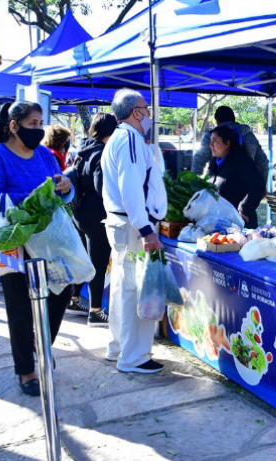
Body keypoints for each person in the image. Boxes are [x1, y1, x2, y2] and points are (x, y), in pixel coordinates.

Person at [0, 101, 74, 396]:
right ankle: (26, 370)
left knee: (62, 292)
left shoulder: (46, 154)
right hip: (15, 241)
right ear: (14, 125)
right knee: (19, 308)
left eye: (41, 122)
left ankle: (40, 345)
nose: (39, 129)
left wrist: (65, 187)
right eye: (33, 123)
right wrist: (33, 196)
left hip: (49, 240)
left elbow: (59, 190)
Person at [102, 89, 166, 374]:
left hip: (124, 222)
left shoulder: (123, 138)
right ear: (135, 112)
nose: (149, 113)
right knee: (135, 290)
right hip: (131, 224)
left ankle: (119, 347)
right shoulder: (129, 139)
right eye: (146, 108)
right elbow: (131, 188)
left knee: (121, 287)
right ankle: (133, 356)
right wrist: (146, 230)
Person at [67, 112, 116, 327]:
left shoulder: (83, 149)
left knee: (83, 259)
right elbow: (101, 187)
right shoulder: (102, 153)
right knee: (97, 262)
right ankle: (95, 311)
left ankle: (74, 298)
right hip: (96, 216)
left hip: (79, 213)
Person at [206, 125, 266, 228]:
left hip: (241, 224)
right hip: (220, 221)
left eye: (215, 141)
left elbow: (259, 184)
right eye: (211, 141)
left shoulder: (242, 161)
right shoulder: (214, 162)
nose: (211, 145)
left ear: (227, 144)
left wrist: (245, 209)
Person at [192, 106, 270, 181]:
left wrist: (193, 183)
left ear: (217, 121)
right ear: (234, 119)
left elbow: (199, 159)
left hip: (218, 186)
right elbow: (262, 161)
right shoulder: (249, 135)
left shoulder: (211, 136)